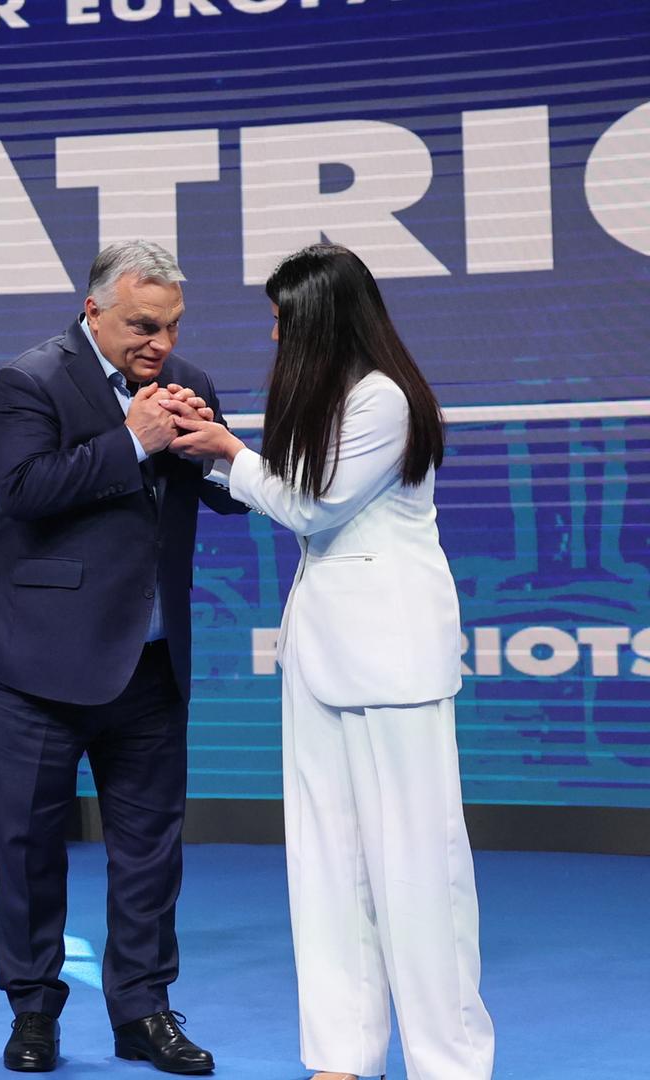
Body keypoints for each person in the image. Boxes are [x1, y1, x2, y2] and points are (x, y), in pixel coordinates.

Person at [167, 243, 494, 1080]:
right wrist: (227, 447)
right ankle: (343, 1055)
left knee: (419, 872)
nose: (274, 338)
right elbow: (306, 494)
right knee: (326, 865)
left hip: (394, 664)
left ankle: (449, 1063)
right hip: (320, 660)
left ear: (321, 322)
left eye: (283, 322)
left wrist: (226, 453)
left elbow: (312, 503)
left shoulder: (384, 400)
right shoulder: (333, 397)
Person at [0, 240, 246, 1074]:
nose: (159, 342)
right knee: (25, 846)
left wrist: (214, 446)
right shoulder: (30, 379)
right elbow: (24, 490)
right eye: (142, 325)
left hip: (150, 664)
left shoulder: (183, 383)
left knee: (152, 849)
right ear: (94, 311)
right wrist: (131, 440)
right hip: (37, 666)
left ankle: (144, 1012)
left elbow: (220, 503)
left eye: (170, 326)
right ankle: (33, 1011)